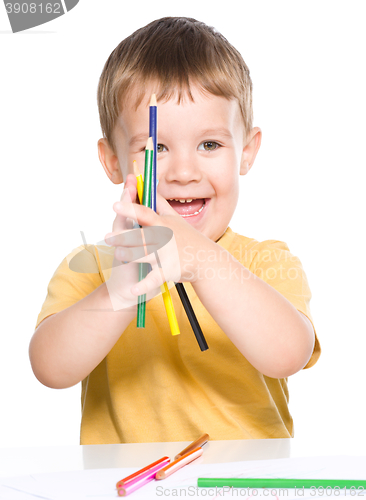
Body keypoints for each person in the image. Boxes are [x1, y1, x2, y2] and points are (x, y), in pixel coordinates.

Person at [29, 17, 320, 444]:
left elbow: (288, 355)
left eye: (210, 145)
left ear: (247, 151)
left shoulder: (266, 259)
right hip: (129, 485)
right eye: (156, 149)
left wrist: (201, 259)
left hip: (241, 486)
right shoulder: (93, 265)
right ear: (112, 161)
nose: (183, 173)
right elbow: (50, 369)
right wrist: (122, 290)